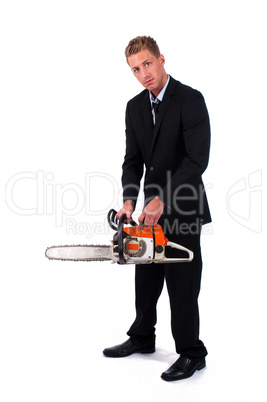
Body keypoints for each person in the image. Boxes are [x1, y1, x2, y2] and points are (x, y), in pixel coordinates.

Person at [103, 36, 211, 382]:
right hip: (148, 207)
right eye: (136, 69)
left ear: (161, 59)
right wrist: (129, 200)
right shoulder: (134, 107)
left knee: (182, 284)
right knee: (146, 276)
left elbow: (197, 160)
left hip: (183, 204)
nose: (143, 74)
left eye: (147, 64)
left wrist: (161, 198)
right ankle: (142, 337)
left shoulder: (190, 100)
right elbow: (132, 161)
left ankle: (192, 353)